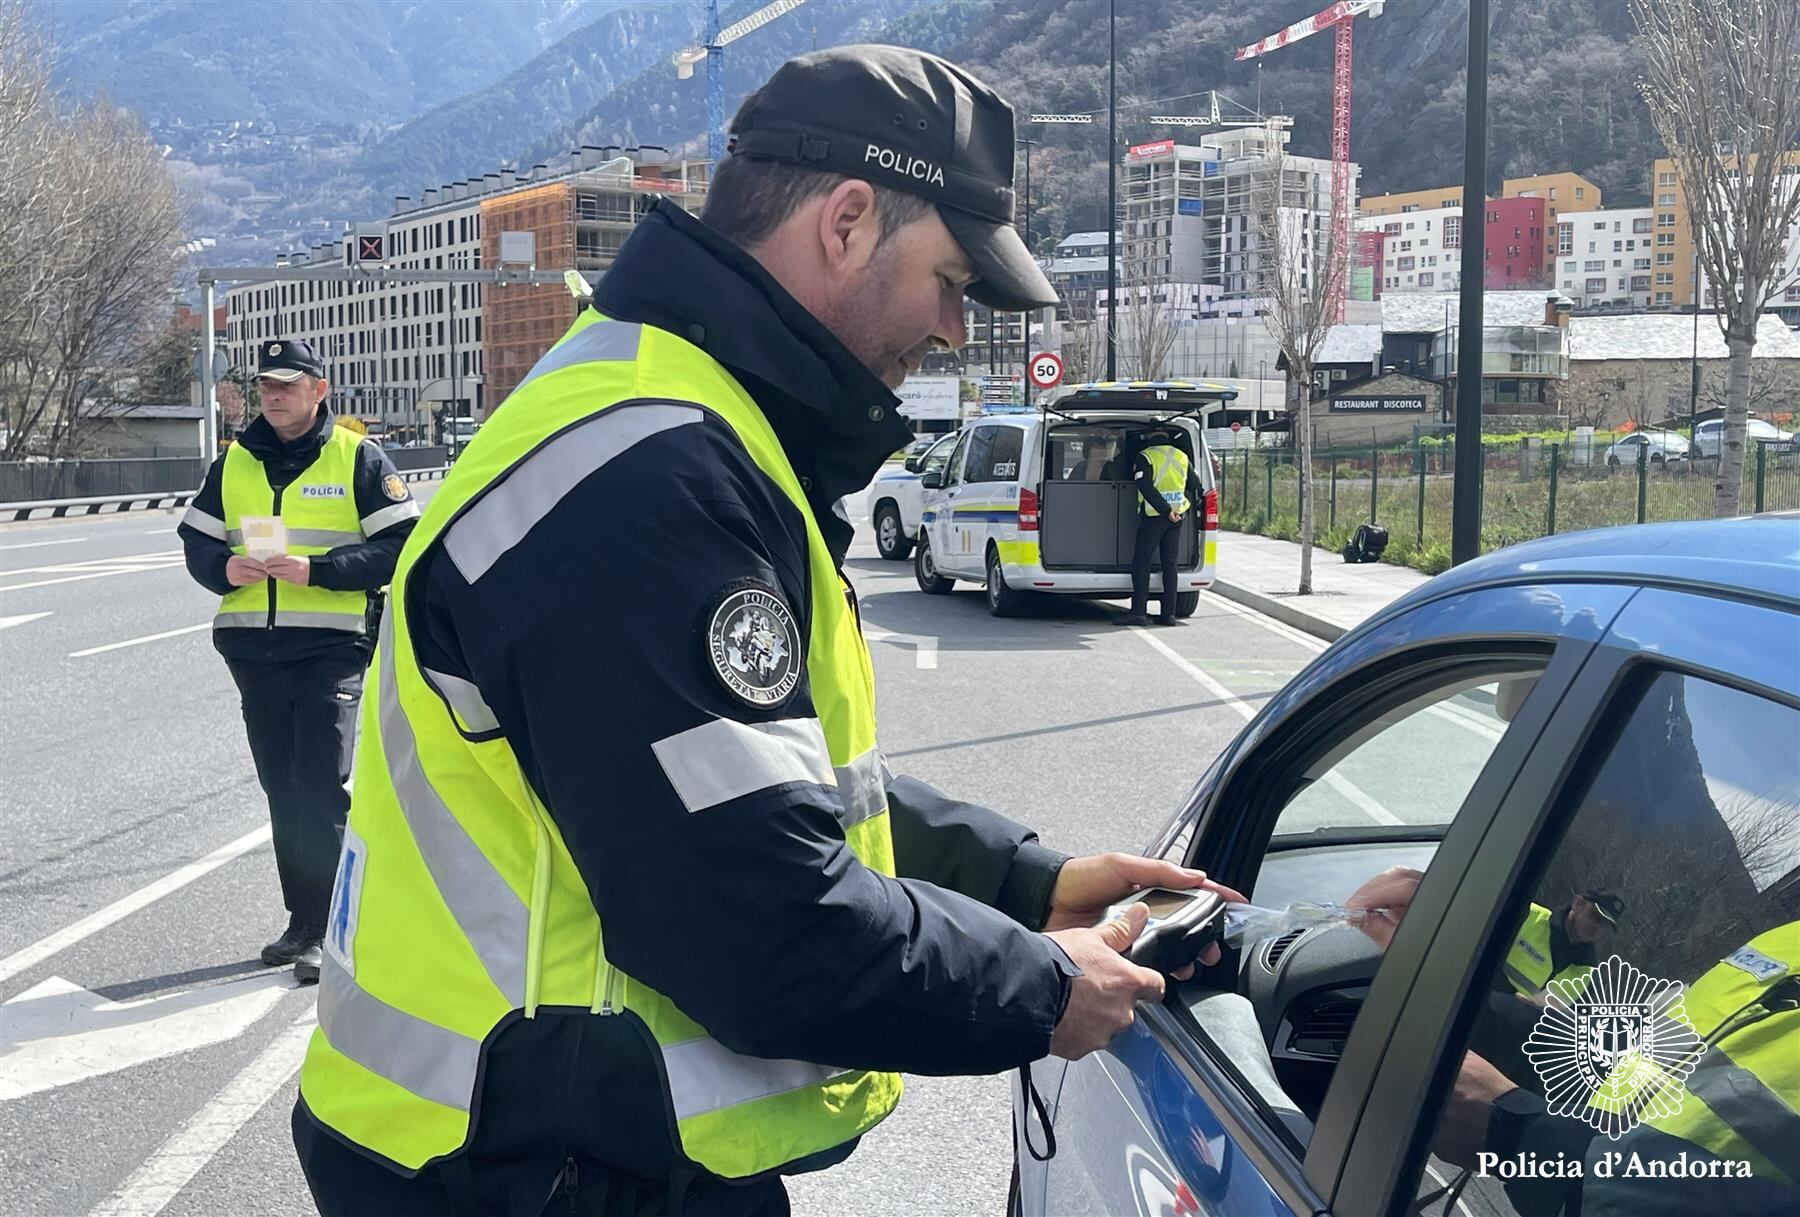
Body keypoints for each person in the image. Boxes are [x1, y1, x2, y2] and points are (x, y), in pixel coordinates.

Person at [291, 45, 1240, 1217]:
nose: (954, 328)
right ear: (846, 222)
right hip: (533, 1168)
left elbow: (748, 784)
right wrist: (1044, 989)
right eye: (951, 279)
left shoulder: (680, 419)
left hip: (549, 1144)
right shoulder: (647, 473)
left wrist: (1022, 878)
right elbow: (757, 919)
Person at [178, 338, 419, 984]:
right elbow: (197, 542)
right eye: (266, 386)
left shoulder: (358, 457)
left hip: (331, 647)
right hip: (254, 649)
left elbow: (401, 544)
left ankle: (332, 927)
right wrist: (223, 568)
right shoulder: (233, 464)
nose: (274, 395)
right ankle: (302, 922)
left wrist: (319, 571)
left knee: (319, 784)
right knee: (283, 788)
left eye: (288, 384)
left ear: (320, 389)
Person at [1123, 430, 1204, 626]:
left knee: (1141, 562)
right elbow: (1194, 484)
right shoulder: (1182, 456)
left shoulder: (1146, 456)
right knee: (1170, 564)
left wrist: (1165, 509)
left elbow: (1145, 487)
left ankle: (1139, 613)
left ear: (1150, 438)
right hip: (1177, 516)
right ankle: (1169, 614)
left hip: (1154, 516)